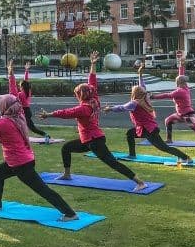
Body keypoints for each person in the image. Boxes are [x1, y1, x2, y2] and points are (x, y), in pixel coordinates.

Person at [0, 93, 78, 221]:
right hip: (20, 161)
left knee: (43, 190)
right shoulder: (19, 116)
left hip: (20, 164)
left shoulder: (4, 122)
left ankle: (70, 214)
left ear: (4, 107)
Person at [38, 51, 147, 192]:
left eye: (78, 93)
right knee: (66, 148)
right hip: (88, 140)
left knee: (112, 163)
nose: (77, 95)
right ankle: (67, 174)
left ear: (82, 95)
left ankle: (140, 182)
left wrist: (49, 114)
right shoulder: (94, 99)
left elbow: (66, 113)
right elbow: (92, 82)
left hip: (94, 141)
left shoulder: (84, 108)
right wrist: (93, 64)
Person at [103, 63, 193, 163]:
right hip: (145, 128)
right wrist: (140, 74)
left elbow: (122, 108)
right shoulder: (145, 97)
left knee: (164, 148)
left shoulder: (134, 103)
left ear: (134, 94)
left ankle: (186, 157)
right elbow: (142, 86)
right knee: (130, 134)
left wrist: (110, 108)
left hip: (149, 130)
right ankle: (132, 155)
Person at [150, 56, 195, 144]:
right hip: (180, 115)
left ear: (178, 83)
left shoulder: (179, 91)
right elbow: (180, 76)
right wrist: (181, 65)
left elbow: (167, 95)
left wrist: (154, 96)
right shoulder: (185, 88)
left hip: (188, 116)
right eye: (184, 81)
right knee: (168, 121)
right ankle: (169, 139)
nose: (185, 82)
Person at [8, 60, 47, 138]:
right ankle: (44, 134)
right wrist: (26, 70)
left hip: (24, 112)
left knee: (26, 126)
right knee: (29, 127)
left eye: (20, 86)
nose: (19, 87)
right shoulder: (28, 92)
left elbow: (13, 86)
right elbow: (26, 81)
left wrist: (11, 70)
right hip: (27, 111)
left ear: (22, 87)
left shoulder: (20, 94)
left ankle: (45, 135)